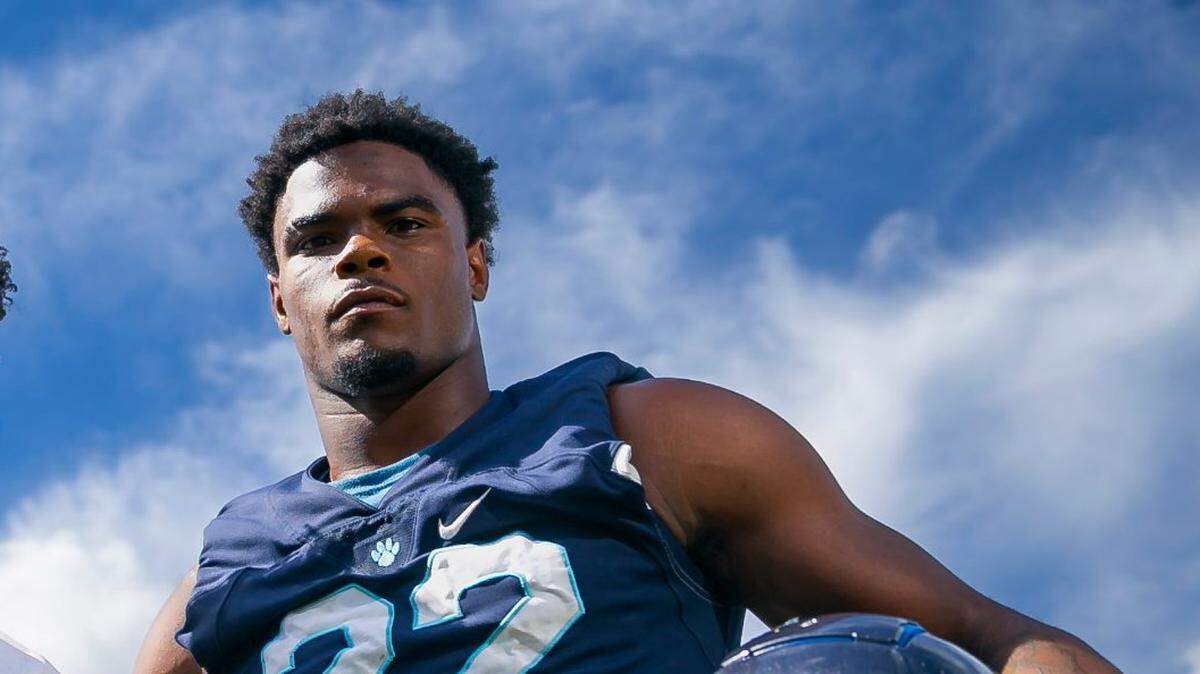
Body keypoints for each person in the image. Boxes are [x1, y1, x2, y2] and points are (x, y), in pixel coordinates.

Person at [135, 91, 1117, 673]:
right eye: (318, 240)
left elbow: (990, 634)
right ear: (279, 297)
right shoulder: (225, 578)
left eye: (404, 223)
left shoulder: (647, 437)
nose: (360, 255)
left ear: (475, 264)